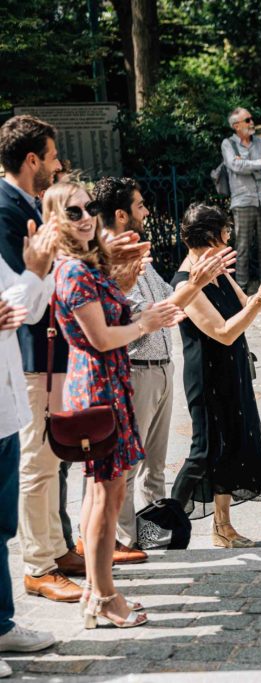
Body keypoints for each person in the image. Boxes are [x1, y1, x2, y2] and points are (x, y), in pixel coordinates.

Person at [48, 181, 184, 629]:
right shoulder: (71, 272)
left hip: (111, 383)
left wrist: (122, 282)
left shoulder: (87, 266)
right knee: (107, 492)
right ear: (55, 220)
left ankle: (95, 589)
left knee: (102, 491)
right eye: (73, 212)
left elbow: (113, 316)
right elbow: (102, 337)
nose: (86, 216)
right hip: (97, 387)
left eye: (88, 208)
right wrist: (145, 321)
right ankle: (105, 595)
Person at [91, 177, 235, 552]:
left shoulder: (141, 254)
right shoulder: (112, 260)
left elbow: (168, 303)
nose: (146, 211)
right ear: (121, 214)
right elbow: (149, 313)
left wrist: (193, 287)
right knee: (126, 466)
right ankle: (123, 540)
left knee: (154, 466)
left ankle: (152, 531)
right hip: (136, 369)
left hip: (162, 366)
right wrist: (196, 282)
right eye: (140, 205)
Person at [170, 204, 261, 547]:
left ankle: (222, 527)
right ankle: (164, 521)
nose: (230, 236)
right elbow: (224, 331)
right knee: (204, 451)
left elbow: (245, 306)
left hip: (232, 367)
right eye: (226, 230)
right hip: (208, 375)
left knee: (228, 447)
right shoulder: (187, 282)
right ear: (212, 235)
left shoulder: (218, 270)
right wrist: (259, 301)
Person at [0, 115, 85, 603]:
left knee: (52, 455)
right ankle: (36, 564)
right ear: (31, 159)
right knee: (36, 459)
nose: (57, 166)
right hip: (29, 349)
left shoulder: (31, 203)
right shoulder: (7, 207)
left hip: (53, 346)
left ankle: (54, 546)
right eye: (52, 157)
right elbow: (20, 292)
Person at [0, 216, 60, 672]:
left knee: (1, 528)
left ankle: (3, 626)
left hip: (5, 407)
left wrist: (37, 271)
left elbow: (26, 310)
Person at [222, 107, 261, 294]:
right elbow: (235, 166)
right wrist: (260, 163)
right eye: (248, 120)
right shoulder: (228, 144)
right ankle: (241, 290)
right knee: (242, 248)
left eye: (252, 119)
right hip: (242, 202)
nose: (252, 122)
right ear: (236, 125)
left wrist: (248, 166)